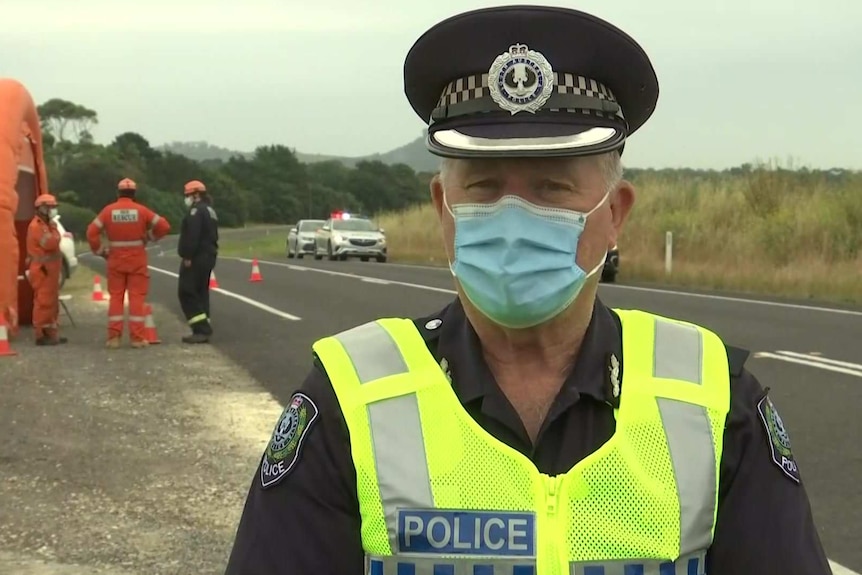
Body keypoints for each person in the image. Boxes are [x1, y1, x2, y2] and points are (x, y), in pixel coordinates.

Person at [224, 6, 832, 575]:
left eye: (552, 187)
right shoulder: (347, 401)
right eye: (484, 187)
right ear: (443, 209)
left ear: (614, 213)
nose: (514, 217)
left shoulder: (717, 402)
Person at [86, 177, 170, 348]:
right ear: (134, 193)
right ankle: (137, 339)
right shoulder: (141, 210)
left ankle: (113, 338)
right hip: (137, 261)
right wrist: (149, 237)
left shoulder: (108, 211)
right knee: (136, 298)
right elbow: (164, 226)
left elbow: (91, 232)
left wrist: (100, 251)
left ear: (118, 193)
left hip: (115, 260)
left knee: (116, 298)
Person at [177, 179, 218, 344]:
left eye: (187, 195)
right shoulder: (209, 210)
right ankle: (204, 325)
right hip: (208, 256)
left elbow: (192, 236)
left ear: (195, 195)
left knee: (187, 292)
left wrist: (187, 255)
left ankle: (201, 329)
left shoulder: (196, 212)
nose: (186, 198)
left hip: (196, 257)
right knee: (201, 292)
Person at [25, 193, 66, 346]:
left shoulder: (47, 225)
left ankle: (51, 334)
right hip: (43, 271)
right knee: (43, 302)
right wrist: (55, 232)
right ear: (42, 209)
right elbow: (50, 243)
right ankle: (41, 335)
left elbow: (54, 241)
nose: (53, 210)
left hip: (50, 271)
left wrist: (54, 231)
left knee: (51, 303)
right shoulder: (37, 226)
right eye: (51, 207)